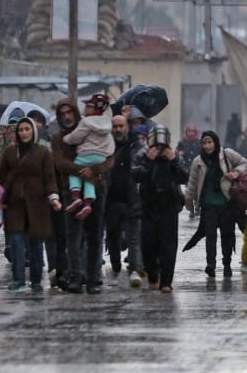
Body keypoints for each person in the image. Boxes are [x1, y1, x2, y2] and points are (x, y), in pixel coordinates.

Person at [49, 97, 109, 293]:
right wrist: (83, 170)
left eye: (69, 113)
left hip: (95, 188)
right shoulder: (58, 138)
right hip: (71, 191)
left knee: (93, 237)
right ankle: (74, 277)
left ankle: (93, 278)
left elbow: (108, 157)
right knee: (73, 238)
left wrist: (95, 170)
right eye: (63, 114)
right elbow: (59, 162)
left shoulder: (91, 131)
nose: (67, 117)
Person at [0, 117, 62, 292]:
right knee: (16, 242)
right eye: (21, 130)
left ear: (33, 131)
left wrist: (54, 198)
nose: (24, 133)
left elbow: (50, 178)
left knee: (36, 244)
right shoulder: (10, 152)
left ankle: (36, 281)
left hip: (38, 205)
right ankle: (18, 280)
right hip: (15, 205)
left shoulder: (43, 152)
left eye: (27, 129)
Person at [186, 130, 247, 277]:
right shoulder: (198, 161)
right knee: (210, 236)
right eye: (204, 143)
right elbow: (193, 182)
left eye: (210, 142)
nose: (207, 146)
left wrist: (234, 174)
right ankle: (211, 265)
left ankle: (227, 264)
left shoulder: (226, 154)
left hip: (226, 203)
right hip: (208, 205)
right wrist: (188, 199)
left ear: (215, 142)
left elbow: (244, 163)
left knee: (227, 235)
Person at [133, 125, 188, 293]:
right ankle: (153, 274)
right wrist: (149, 161)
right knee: (147, 243)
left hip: (169, 204)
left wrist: (173, 161)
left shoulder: (175, 155)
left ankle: (166, 282)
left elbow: (184, 177)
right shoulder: (142, 154)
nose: (159, 147)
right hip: (149, 204)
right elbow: (136, 175)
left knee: (169, 246)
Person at [102, 114, 144, 285]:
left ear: (127, 127)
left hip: (132, 198)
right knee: (112, 236)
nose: (118, 129)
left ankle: (135, 268)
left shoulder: (137, 147)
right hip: (111, 199)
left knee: (134, 237)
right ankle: (116, 264)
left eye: (121, 126)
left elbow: (143, 169)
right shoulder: (106, 147)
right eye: (115, 126)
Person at [62, 93, 115, 220]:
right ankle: (87, 204)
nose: (85, 108)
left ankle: (75, 197)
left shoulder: (86, 122)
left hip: (86, 154)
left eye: (88, 106)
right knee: (90, 177)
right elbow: (111, 144)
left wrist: (67, 138)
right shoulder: (107, 123)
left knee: (75, 172)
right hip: (101, 157)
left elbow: (76, 137)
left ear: (95, 109)